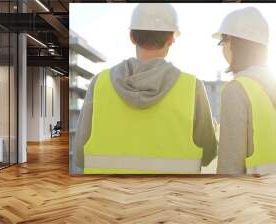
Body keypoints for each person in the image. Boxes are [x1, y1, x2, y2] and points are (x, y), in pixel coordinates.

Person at [75, 3, 217, 174]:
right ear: (172, 38)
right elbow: (208, 155)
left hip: (107, 197)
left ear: (132, 37)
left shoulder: (100, 83)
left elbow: (80, 156)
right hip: (174, 197)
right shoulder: (192, 87)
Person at [214, 7, 276, 175]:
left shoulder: (237, 89)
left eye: (222, 42)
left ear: (231, 41)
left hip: (247, 194)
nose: (222, 48)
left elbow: (230, 163)